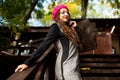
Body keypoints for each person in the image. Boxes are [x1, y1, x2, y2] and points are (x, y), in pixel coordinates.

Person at [15, 4, 83, 80]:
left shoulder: (70, 29)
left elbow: (81, 42)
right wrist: (27, 63)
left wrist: (76, 27)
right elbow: (44, 45)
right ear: (58, 15)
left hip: (74, 66)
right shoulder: (56, 27)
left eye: (67, 12)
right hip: (65, 67)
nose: (66, 14)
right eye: (63, 12)